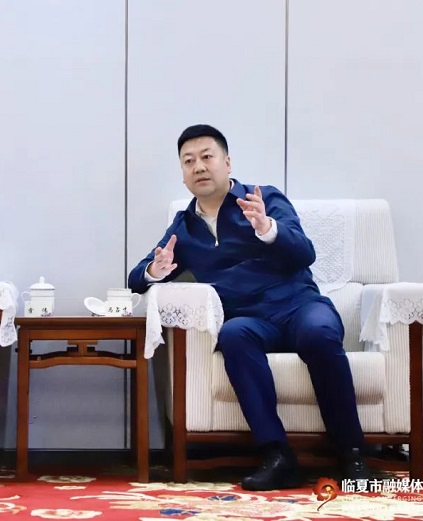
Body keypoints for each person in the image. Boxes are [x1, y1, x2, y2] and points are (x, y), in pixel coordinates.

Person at [128, 124, 371, 491]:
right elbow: (136, 277)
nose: (199, 167)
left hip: (299, 305)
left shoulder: (264, 198)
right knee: (233, 335)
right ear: (182, 174)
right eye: (189, 161)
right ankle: (277, 456)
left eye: (207, 157)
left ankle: (352, 454)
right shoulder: (184, 227)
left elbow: (305, 252)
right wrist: (154, 270)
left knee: (319, 333)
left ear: (227, 162)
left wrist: (268, 228)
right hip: (249, 319)